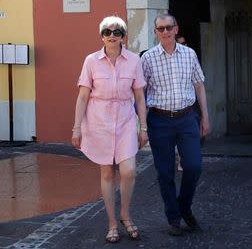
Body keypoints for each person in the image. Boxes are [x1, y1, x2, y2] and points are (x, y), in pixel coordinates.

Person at [71, 16, 148, 243]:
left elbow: (140, 97)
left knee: (128, 171)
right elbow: (83, 96)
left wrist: (143, 127)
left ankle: (125, 213)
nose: (112, 35)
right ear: (101, 35)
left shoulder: (134, 60)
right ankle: (112, 222)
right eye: (107, 32)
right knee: (106, 173)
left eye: (116, 31)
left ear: (123, 35)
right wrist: (77, 128)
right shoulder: (91, 61)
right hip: (99, 120)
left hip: (125, 119)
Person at [141, 13, 209, 236]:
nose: (165, 32)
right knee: (164, 172)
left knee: (194, 166)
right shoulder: (148, 58)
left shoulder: (189, 54)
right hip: (159, 120)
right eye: (160, 29)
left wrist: (205, 117)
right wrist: (140, 123)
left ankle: (184, 206)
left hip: (187, 118)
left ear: (176, 29)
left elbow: (199, 86)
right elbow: (139, 92)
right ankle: (174, 218)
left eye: (169, 27)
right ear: (155, 32)